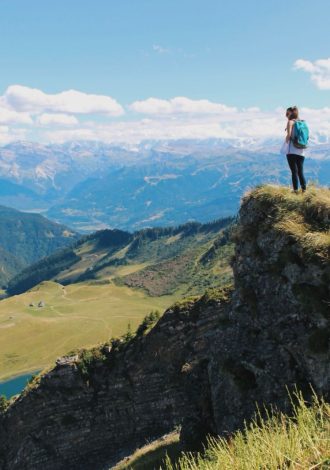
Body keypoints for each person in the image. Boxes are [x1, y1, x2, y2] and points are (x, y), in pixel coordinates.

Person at [285, 106, 307, 193]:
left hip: (292, 151)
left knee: (294, 171)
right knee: (300, 171)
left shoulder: (290, 122)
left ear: (291, 113)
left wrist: (286, 141)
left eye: (287, 113)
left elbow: (289, 135)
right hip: (301, 150)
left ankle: (295, 191)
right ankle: (304, 190)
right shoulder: (303, 123)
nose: (286, 115)